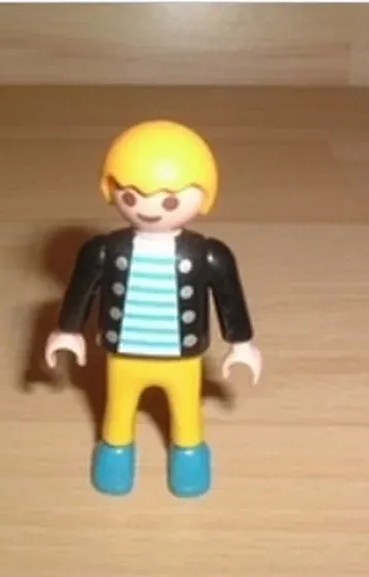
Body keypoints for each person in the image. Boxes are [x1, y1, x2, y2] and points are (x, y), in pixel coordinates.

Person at [45, 119, 262, 498]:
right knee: (118, 413)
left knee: (187, 416)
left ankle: (189, 469)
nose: (148, 209)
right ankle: (115, 466)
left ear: (204, 197)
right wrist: (68, 330)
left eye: (170, 201)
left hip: (182, 359)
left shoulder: (209, 255)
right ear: (111, 190)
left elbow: (229, 298)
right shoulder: (103, 251)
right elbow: (81, 290)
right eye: (130, 197)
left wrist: (241, 343)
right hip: (124, 355)